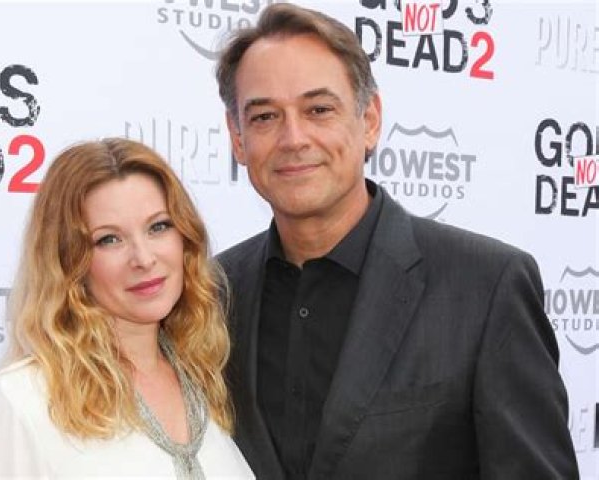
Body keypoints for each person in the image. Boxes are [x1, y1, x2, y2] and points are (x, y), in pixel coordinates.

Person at [214, 3, 579, 479]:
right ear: (238, 138)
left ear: (369, 120)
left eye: (319, 110)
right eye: (264, 117)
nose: (293, 138)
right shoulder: (212, 293)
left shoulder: (486, 287)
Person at [0, 138, 255, 479]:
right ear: (68, 261)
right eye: (109, 239)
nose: (144, 258)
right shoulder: (22, 401)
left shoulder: (203, 380)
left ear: (185, 239)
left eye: (158, 226)